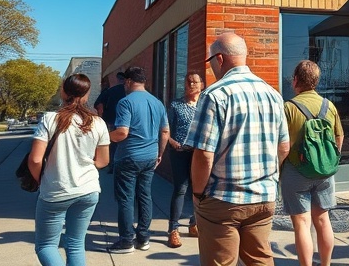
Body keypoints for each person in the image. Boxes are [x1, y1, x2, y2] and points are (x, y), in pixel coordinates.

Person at [184, 32, 290, 266]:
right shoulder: (273, 94)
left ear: (219, 59)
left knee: (220, 262)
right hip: (263, 197)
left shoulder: (214, 95)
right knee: (260, 260)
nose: (210, 67)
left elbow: (203, 154)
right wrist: (270, 180)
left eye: (210, 61)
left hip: (223, 199)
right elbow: (283, 147)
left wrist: (198, 194)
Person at [29, 74, 110, 266]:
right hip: (88, 190)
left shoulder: (50, 119)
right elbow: (103, 161)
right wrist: (84, 163)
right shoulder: (98, 123)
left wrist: (40, 180)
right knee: (75, 244)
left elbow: (35, 159)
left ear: (63, 92)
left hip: (56, 192)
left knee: (46, 245)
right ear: (87, 95)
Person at [281, 60, 345, 266]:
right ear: (316, 81)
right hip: (325, 171)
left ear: (296, 80)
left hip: (296, 170)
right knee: (323, 220)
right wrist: (327, 161)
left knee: (302, 223)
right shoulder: (330, 106)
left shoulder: (289, 107)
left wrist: (277, 168)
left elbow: (284, 145)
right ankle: (325, 264)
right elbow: (339, 138)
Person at [108, 66, 170, 253]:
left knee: (126, 198)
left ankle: (126, 240)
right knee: (144, 197)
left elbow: (122, 133)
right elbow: (165, 131)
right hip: (150, 156)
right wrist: (160, 154)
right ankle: (143, 239)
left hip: (128, 156)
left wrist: (103, 136)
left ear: (128, 81)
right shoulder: (157, 103)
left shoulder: (125, 102)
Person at [166, 71, 204, 248]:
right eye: (188, 82)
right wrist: (172, 143)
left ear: (201, 85)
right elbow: (165, 129)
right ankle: (173, 229)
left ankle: (194, 223)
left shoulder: (205, 105)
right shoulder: (175, 105)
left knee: (199, 189)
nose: (191, 85)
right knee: (181, 189)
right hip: (179, 151)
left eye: (195, 82)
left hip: (198, 153)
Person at [93, 71, 127, 169]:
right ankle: (120, 163)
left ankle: (111, 164)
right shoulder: (128, 91)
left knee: (110, 142)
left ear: (117, 79)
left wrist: (101, 115)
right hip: (125, 121)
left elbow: (98, 104)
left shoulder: (109, 91)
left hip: (110, 119)